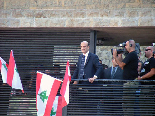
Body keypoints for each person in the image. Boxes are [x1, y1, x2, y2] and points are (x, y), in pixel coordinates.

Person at [113, 39, 139, 116]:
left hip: (130, 83)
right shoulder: (131, 55)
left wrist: (115, 56)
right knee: (126, 105)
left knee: (127, 105)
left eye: (126, 45)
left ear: (131, 45)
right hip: (129, 83)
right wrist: (119, 56)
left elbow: (120, 65)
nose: (125, 47)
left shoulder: (131, 54)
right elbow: (123, 67)